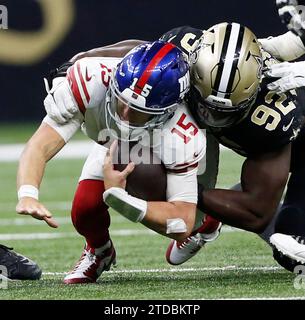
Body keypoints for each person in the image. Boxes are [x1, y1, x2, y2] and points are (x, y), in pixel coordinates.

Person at [16, 41, 221, 284]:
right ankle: (100, 252)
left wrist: (122, 199)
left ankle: (208, 221)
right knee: (84, 211)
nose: (124, 113)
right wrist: (28, 193)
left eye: (137, 111)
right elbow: (39, 145)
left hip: (161, 155)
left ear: (166, 110)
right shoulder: (92, 80)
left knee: (188, 222)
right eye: (121, 101)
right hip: (114, 142)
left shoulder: (183, 133)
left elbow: (181, 222)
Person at [159, 21, 305, 272]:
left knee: (291, 252)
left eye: (224, 113)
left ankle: (216, 215)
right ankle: (212, 216)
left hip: (296, 144)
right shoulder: (180, 50)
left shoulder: (275, 113)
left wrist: (188, 191)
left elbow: (257, 210)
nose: (212, 118)